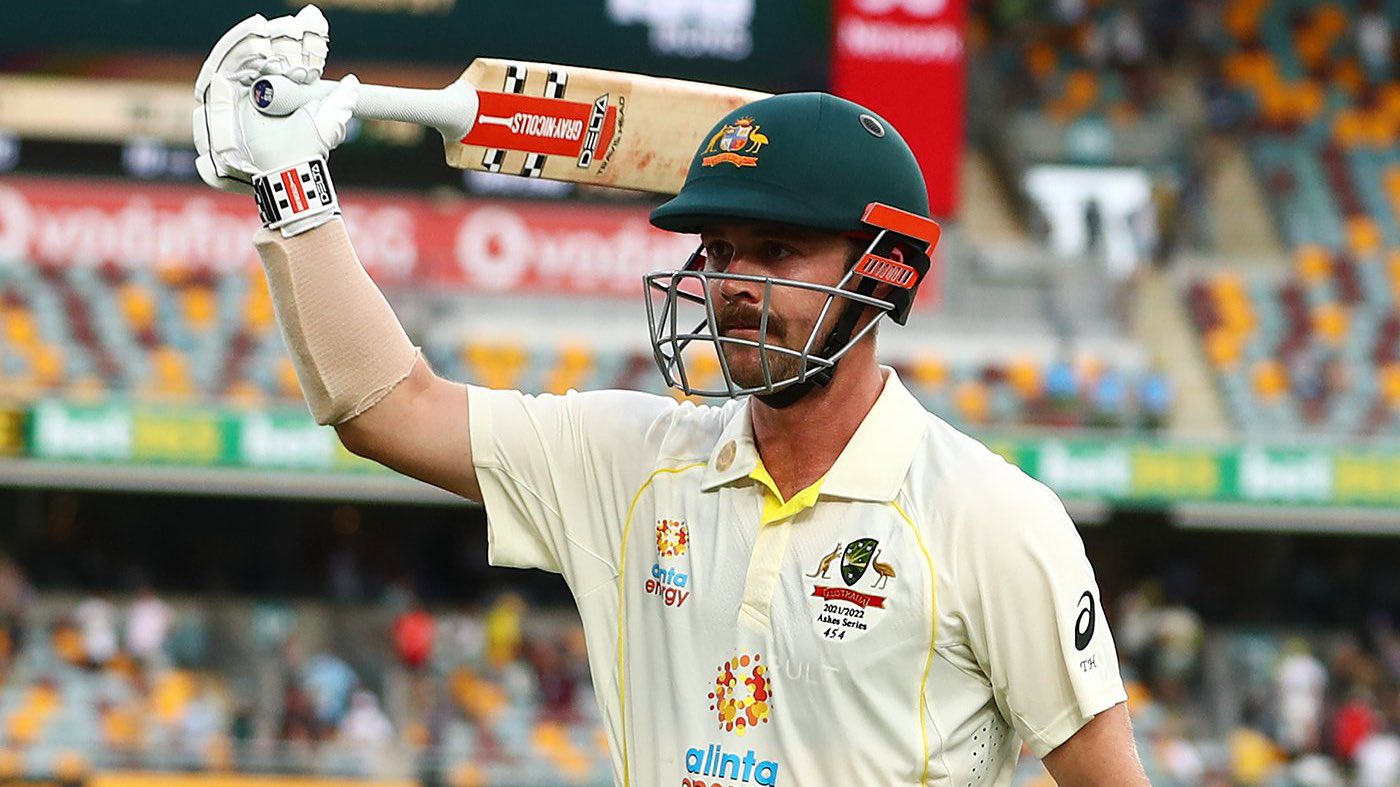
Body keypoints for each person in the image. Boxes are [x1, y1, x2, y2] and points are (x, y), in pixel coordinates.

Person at [194, 6, 1147, 784]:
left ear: (882, 271)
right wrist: (292, 185)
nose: (732, 283)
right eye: (720, 251)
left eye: (776, 252)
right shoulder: (636, 462)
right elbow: (385, 405)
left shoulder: (994, 518)